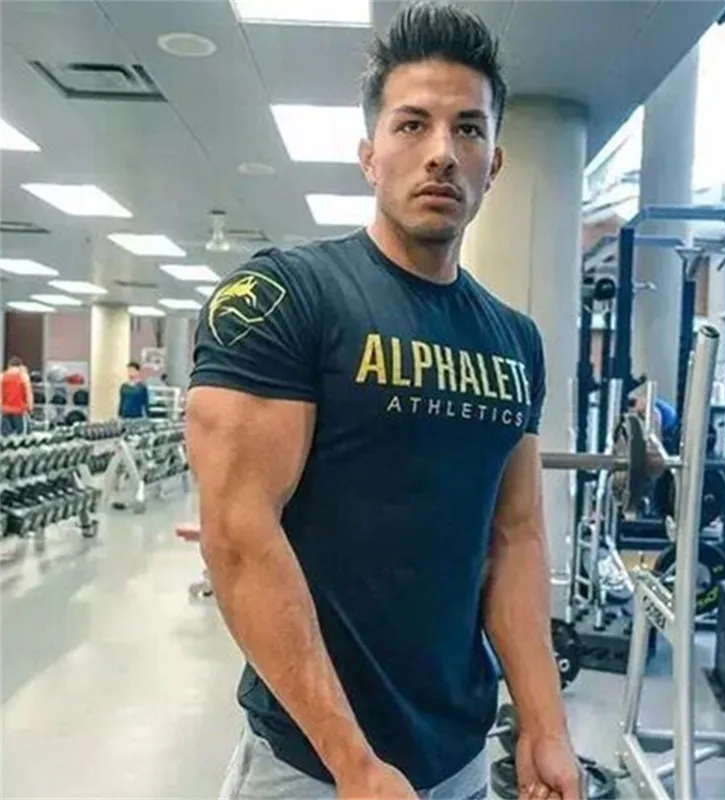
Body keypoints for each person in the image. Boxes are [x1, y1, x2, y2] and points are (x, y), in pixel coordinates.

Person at [187, 4, 581, 800]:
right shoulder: (284, 298)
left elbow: (514, 538)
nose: (442, 152)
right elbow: (238, 538)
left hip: (460, 759)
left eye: (468, 129)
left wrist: (544, 725)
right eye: (412, 124)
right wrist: (354, 764)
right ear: (369, 155)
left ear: (494, 164)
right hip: (311, 768)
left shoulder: (514, 341)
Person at [1, 356, 33, 436]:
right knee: (22, 437)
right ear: (20, 366)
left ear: (9, 365)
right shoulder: (23, 377)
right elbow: (28, 394)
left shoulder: (2, 376)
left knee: (5, 438)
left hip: (5, 411)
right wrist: (30, 408)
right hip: (20, 411)